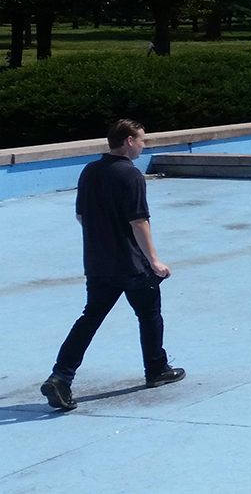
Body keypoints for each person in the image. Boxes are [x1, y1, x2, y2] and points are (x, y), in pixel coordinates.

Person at [40, 119, 184, 411]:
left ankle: (61, 376)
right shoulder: (130, 175)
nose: (144, 145)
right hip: (131, 264)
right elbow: (138, 221)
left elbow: (82, 216)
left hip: (98, 263)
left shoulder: (90, 171)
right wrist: (154, 260)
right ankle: (156, 369)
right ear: (129, 140)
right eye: (142, 140)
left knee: (89, 319)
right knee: (149, 314)